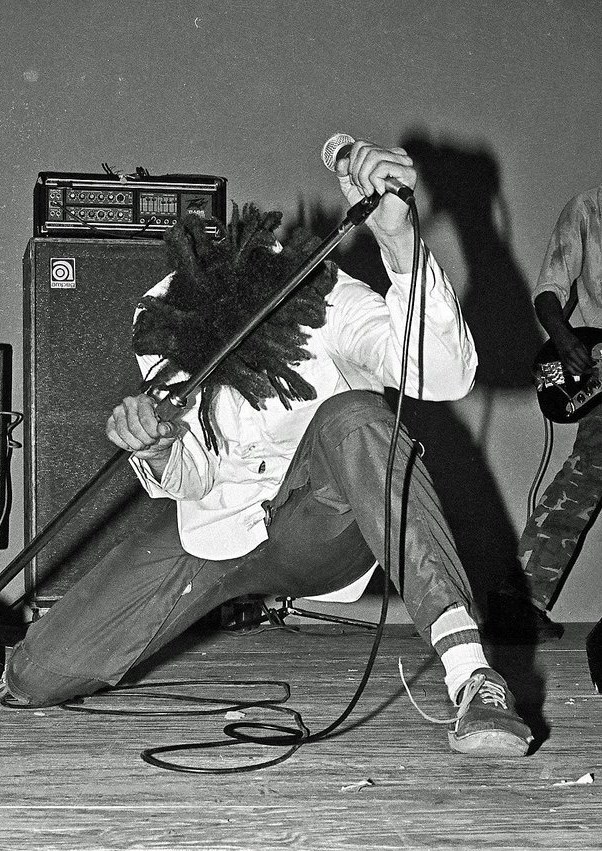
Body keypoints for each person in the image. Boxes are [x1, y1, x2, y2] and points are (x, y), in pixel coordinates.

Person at [2, 141, 532, 757]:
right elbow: (193, 477)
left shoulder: (325, 301)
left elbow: (442, 376)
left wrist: (401, 240)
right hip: (213, 537)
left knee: (354, 414)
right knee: (37, 674)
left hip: (319, 529)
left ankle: (472, 675)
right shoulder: (174, 324)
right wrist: (159, 440)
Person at [491, 186, 602, 641]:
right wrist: (564, 338)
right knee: (586, 475)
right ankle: (519, 601)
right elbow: (548, 291)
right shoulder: (589, 207)